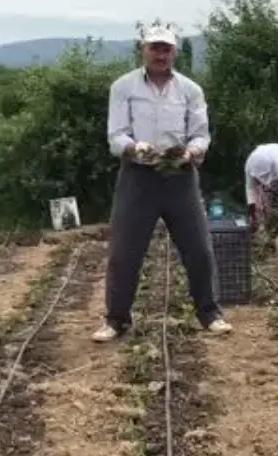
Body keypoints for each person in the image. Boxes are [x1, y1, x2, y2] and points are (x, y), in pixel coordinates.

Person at [95, 25, 231, 342]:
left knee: (198, 248)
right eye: (154, 48)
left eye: (166, 49)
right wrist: (134, 147)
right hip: (137, 176)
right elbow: (116, 135)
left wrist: (193, 150)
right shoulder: (123, 87)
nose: (160, 54)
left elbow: (201, 133)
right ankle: (116, 319)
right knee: (124, 252)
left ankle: (210, 313)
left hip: (180, 176)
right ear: (143, 50)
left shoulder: (190, 90)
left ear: (174, 53)